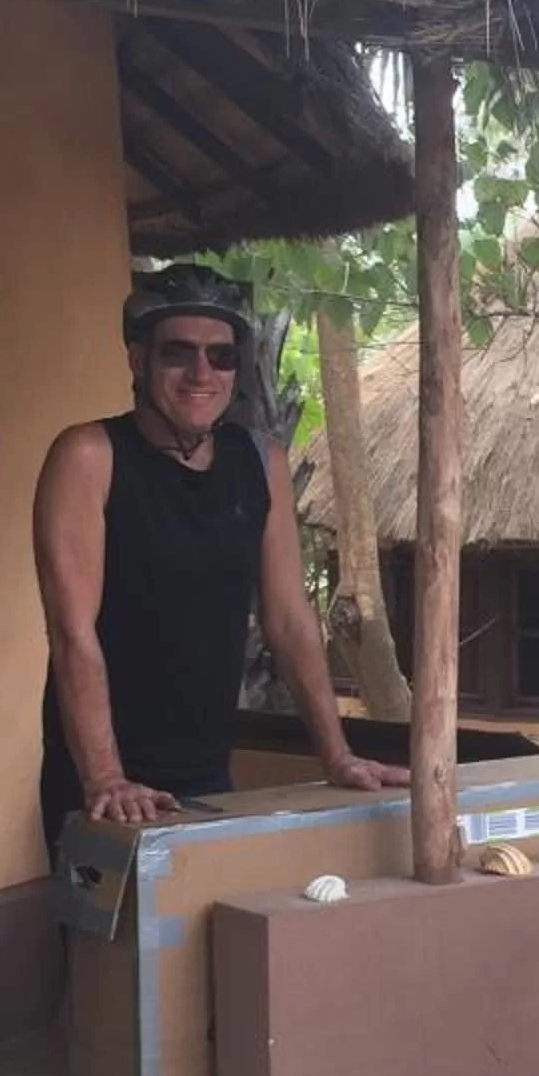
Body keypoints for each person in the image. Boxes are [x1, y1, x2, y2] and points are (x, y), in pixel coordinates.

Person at [34, 264, 406, 839]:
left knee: (215, 927)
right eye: (178, 353)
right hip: (103, 780)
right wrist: (106, 778)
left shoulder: (260, 461)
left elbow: (287, 617)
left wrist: (337, 755)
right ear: (139, 361)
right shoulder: (90, 457)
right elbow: (72, 633)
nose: (200, 373)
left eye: (221, 355)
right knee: (110, 931)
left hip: (207, 769)